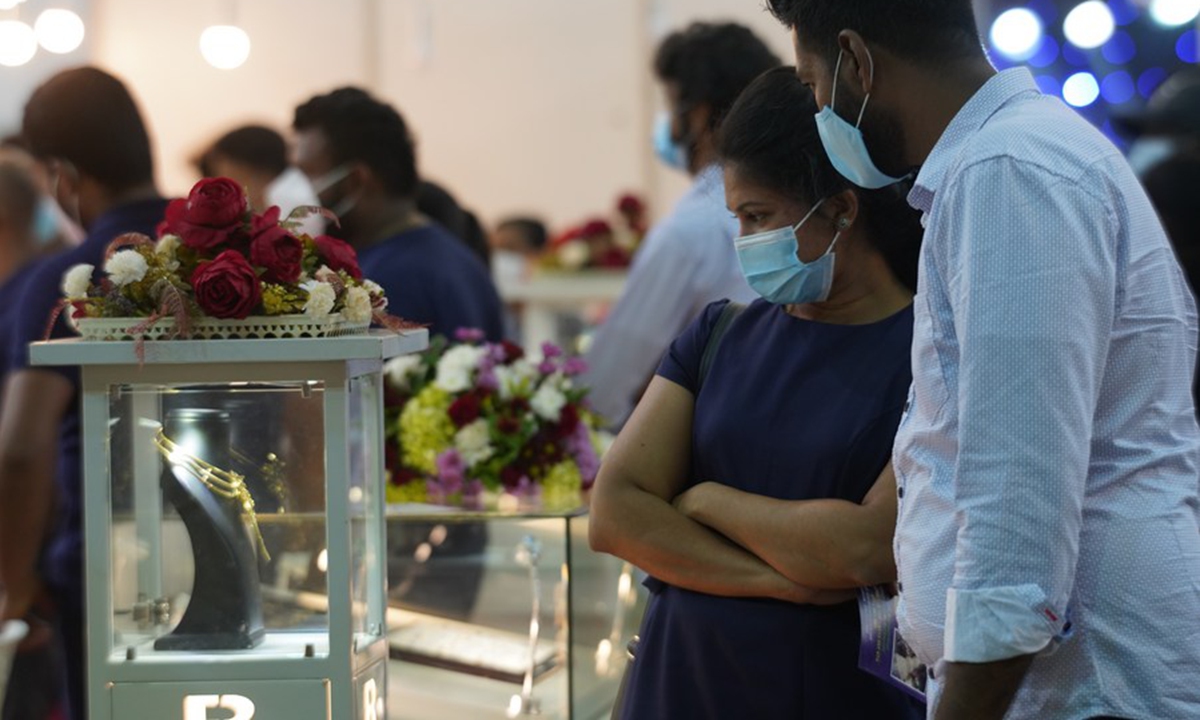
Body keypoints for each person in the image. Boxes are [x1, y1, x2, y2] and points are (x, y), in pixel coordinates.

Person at [767, 1, 1200, 718]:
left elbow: (1016, 514)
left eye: (813, 87)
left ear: (857, 62)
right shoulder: (1007, 160)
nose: (818, 112)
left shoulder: (1009, 171)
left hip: (1086, 687)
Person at [589, 67, 924, 719]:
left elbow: (865, 547)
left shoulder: (927, 353)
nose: (746, 241)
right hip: (682, 676)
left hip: (833, 691)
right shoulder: (721, 333)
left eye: (759, 216)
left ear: (841, 209)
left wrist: (703, 499)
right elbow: (615, 512)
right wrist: (781, 580)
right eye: (738, 219)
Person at [0, 66, 170, 720]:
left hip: (105, 563)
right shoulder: (215, 261)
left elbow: (20, 447)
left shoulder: (71, 278)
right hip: (237, 549)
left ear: (62, 175)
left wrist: (14, 590)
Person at [580, 22, 774, 429]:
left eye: (670, 106)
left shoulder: (689, 229)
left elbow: (607, 383)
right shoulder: (798, 201)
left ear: (699, 114)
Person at [292, 87, 504, 342]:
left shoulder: (386, 283)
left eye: (307, 174)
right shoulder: (453, 256)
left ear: (356, 181)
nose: (296, 191)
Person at [196, 124, 323, 236]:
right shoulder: (286, 188)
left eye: (220, 163)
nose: (219, 177)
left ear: (240, 164)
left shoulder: (287, 198)